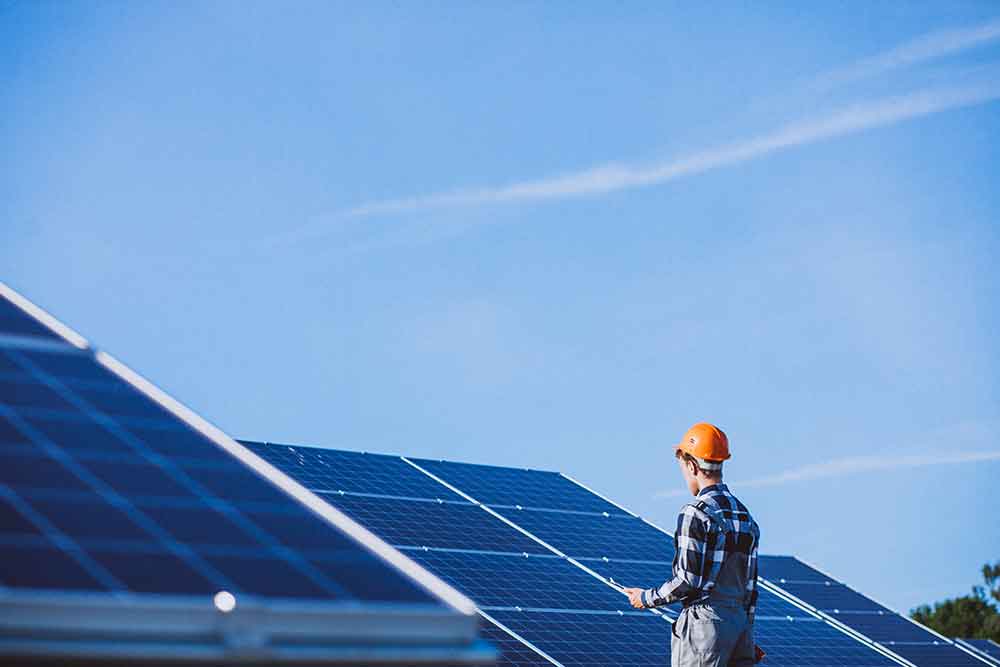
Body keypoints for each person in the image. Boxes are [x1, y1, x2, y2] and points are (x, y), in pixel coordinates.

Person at [623, 423, 761, 667]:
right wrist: (745, 635)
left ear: (692, 466)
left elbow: (687, 581)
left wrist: (645, 598)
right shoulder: (745, 517)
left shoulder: (695, 513)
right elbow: (750, 589)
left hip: (704, 628)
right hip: (739, 626)